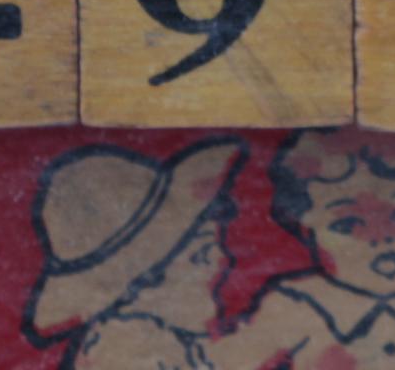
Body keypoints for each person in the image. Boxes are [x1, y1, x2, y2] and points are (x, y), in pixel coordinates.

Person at [214, 131, 395, 370]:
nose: (382, 237)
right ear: (305, 224)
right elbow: (220, 356)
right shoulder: (298, 305)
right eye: (347, 224)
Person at [25, 139, 247, 370]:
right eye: (201, 254)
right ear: (144, 283)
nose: (223, 260)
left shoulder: (173, 348)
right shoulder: (119, 351)